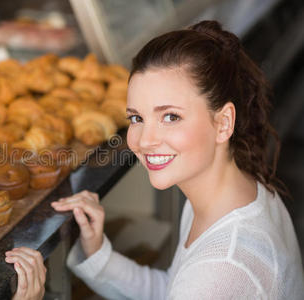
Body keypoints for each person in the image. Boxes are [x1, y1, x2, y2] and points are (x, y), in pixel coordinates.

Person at [50, 20, 304, 299]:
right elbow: (174, 288)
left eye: (171, 117)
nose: (144, 140)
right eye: (136, 118)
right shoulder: (231, 194)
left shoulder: (225, 265)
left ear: (224, 123)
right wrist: (96, 252)